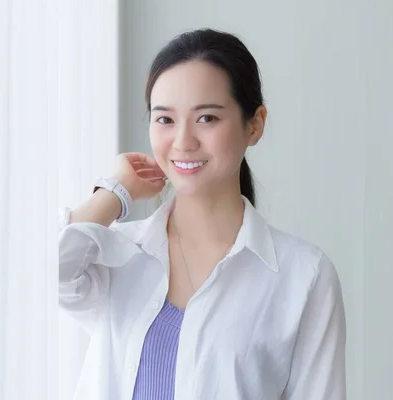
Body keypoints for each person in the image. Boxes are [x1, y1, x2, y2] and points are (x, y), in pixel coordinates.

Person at [58, 28, 346, 400]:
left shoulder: (303, 276)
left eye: (207, 118)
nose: (182, 142)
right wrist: (114, 192)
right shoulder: (117, 254)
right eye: (165, 120)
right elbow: (45, 274)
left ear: (254, 124)